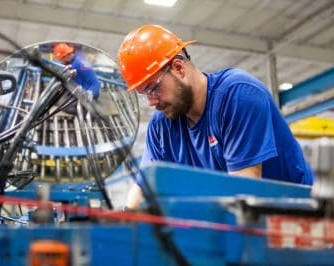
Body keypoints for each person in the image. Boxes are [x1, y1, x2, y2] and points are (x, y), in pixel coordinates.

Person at [117, 24, 314, 209]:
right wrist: (126, 225)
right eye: (144, 94)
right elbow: (143, 187)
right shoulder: (161, 127)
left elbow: (243, 192)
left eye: (153, 88)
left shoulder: (238, 95)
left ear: (179, 68)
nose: (151, 101)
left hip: (297, 218)